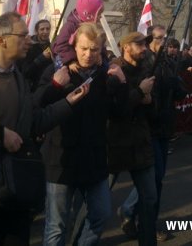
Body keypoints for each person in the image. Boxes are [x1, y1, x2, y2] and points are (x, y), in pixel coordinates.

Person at [0, 12, 87, 246]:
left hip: (15, 190)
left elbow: (33, 122)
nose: (30, 40)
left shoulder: (19, 79)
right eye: (23, 35)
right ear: (2, 39)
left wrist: (67, 104)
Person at [35, 22, 127, 246]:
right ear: (74, 46)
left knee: (101, 214)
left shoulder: (106, 75)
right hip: (61, 160)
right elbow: (36, 107)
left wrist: (122, 85)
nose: (88, 54)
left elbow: (120, 114)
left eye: (94, 49)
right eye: (83, 48)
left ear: (101, 49)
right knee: (56, 226)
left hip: (94, 159)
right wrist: (55, 86)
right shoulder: (58, 70)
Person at [108, 31, 157, 246]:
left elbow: (151, 110)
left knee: (149, 199)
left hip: (140, 144)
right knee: (96, 206)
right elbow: (115, 110)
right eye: (139, 45)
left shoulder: (146, 70)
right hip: (115, 145)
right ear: (126, 47)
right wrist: (139, 92)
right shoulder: (113, 71)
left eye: (144, 44)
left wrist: (149, 101)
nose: (144, 48)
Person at [52, 0, 104, 65]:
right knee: (61, 66)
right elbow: (62, 45)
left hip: (82, 59)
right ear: (88, 15)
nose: (100, 17)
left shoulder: (94, 28)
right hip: (64, 57)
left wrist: (101, 55)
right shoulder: (70, 26)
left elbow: (101, 44)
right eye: (98, 14)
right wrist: (71, 61)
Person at [18, 19, 53, 90]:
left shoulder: (51, 47)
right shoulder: (28, 46)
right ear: (37, 31)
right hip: (30, 87)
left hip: (43, 86)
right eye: (42, 29)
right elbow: (26, 72)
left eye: (47, 29)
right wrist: (42, 58)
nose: (45, 32)